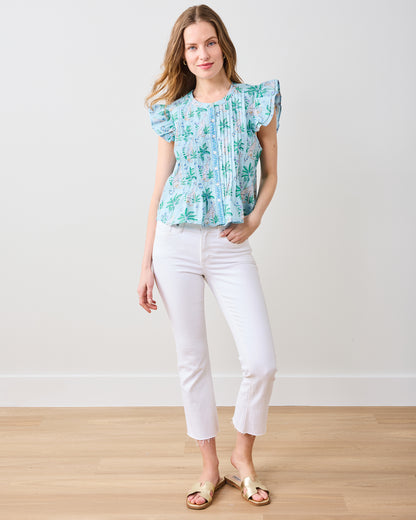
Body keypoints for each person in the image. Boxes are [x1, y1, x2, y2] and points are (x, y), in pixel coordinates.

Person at [137, 4, 282, 510]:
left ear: (223, 44)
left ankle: (243, 455)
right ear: (183, 55)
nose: (203, 53)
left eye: (210, 42)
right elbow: (159, 189)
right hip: (174, 243)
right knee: (192, 359)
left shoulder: (255, 102)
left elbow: (271, 174)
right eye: (192, 46)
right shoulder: (172, 112)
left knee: (261, 361)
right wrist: (145, 263)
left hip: (228, 243)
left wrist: (254, 219)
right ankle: (209, 468)